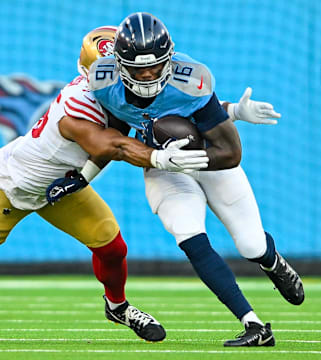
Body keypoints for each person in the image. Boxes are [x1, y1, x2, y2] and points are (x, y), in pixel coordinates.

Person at [47, 14, 303, 347]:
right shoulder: (103, 82)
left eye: (155, 67)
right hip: (162, 165)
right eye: (138, 70)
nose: (148, 76)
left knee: (250, 244)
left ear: (169, 58)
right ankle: (254, 324)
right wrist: (84, 176)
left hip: (209, 158)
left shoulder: (190, 77)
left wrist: (219, 128)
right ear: (119, 64)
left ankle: (271, 260)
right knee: (189, 236)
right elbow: (117, 138)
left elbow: (230, 151)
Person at [0, 51, 214, 341]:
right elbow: (111, 146)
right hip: (11, 185)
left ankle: (118, 307)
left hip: (59, 188)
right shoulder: (79, 103)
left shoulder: (121, 95)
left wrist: (232, 111)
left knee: (112, 247)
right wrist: (161, 158)